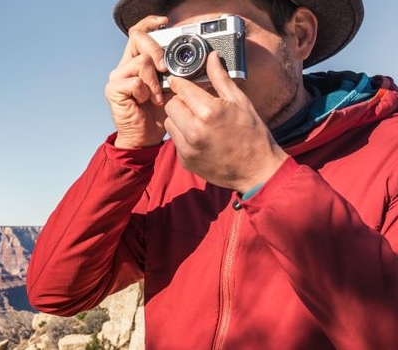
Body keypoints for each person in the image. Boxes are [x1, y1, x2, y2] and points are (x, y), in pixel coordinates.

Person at [26, 0, 398, 348]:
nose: (200, 62)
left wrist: (262, 173)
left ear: (299, 35)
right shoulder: (170, 164)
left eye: (221, 36)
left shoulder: (388, 150)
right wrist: (130, 148)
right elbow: (57, 292)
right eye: (182, 45)